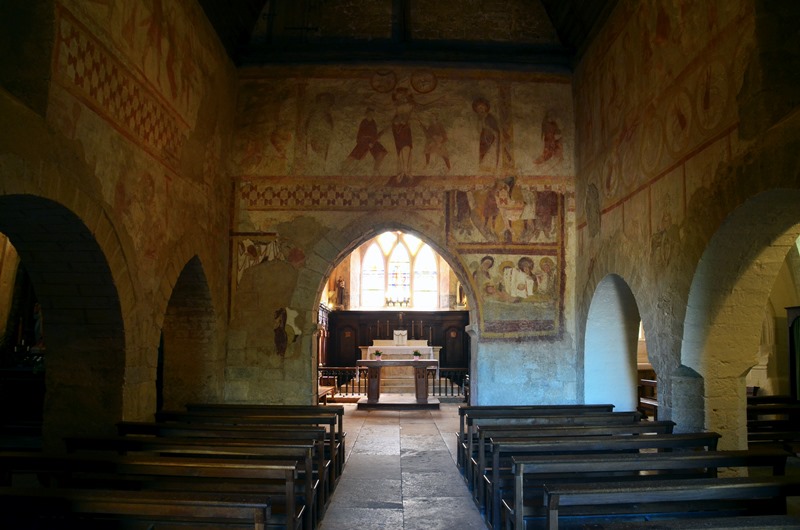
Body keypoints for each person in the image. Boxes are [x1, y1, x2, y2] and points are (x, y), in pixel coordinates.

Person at [343, 107, 387, 173]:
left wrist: (380, 134)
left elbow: (374, 135)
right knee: (354, 155)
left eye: (372, 114)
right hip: (363, 142)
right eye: (370, 113)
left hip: (372, 142)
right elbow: (361, 135)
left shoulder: (373, 122)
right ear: (366, 114)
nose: (371, 115)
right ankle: (343, 168)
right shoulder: (364, 122)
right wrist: (367, 143)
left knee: (381, 152)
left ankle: (376, 170)